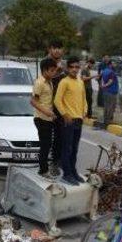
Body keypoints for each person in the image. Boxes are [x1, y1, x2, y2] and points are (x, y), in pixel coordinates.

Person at [54, 56, 87, 186]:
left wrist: (84, 111)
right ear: (67, 68)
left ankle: (73, 172)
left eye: (76, 67)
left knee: (75, 148)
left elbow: (84, 99)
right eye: (72, 67)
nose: (74, 69)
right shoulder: (64, 82)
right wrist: (64, 114)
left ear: (79, 68)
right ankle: (66, 174)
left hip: (79, 120)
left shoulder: (80, 82)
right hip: (68, 121)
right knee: (67, 148)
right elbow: (57, 100)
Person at [31, 58, 58, 177]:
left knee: (47, 144)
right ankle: (43, 170)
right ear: (44, 70)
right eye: (51, 71)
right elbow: (33, 102)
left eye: (55, 70)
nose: (54, 73)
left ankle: (45, 168)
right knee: (45, 144)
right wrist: (47, 112)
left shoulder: (49, 81)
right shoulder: (40, 83)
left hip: (48, 118)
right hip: (41, 118)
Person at [47, 40, 67, 174]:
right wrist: (57, 70)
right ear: (50, 49)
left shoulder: (65, 64)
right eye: (55, 48)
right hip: (48, 104)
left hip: (62, 105)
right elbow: (44, 79)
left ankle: (57, 160)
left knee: (61, 135)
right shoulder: (46, 63)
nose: (57, 51)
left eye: (59, 48)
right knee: (48, 135)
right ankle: (48, 161)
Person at [100, 59, 118, 125]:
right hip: (111, 92)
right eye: (114, 63)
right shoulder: (111, 72)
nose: (115, 65)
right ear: (110, 64)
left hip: (105, 92)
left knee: (106, 106)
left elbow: (101, 79)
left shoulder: (105, 71)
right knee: (111, 107)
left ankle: (105, 120)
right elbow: (110, 81)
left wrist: (102, 85)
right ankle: (109, 120)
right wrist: (104, 86)